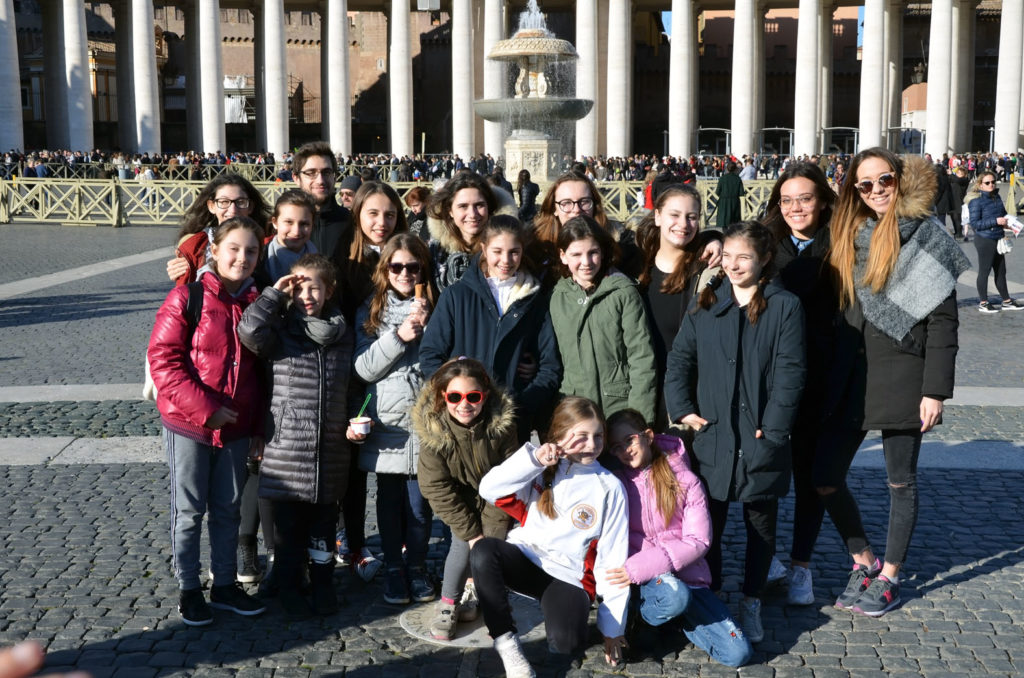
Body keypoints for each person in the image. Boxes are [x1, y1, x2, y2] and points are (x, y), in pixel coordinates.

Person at [827, 148, 969, 616]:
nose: (875, 191)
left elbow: (944, 322)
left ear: (900, 179)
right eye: (864, 185)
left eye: (883, 179)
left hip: (905, 372)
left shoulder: (928, 236)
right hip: (853, 371)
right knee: (824, 477)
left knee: (900, 483)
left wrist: (935, 391)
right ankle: (862, 560)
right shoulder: (848, 233)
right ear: (854, 191)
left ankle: (890, 574)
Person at [665, 220, 806, 642]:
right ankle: (714, 598)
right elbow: (680, 362)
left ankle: (752, 599)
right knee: (710, 525)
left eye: (743, 257)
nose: (732, 264)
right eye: (727, 256)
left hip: (762, 436)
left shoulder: (785, 306)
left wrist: (775, 430)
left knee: (761, 527)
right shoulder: (706, 301)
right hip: (713, 434)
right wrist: (684, 410)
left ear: (764, 260)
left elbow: (790, 374)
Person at [147, 216, 269, 626]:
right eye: (233, 248)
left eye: (251, 251)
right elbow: (162, 361)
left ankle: (225, 585)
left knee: (228, 509)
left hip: (236, 426)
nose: (242, 257)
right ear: (214, 251)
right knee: (189, 510)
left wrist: (257, 427)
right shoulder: (188, 297)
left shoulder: (257, 302)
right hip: (189, 424)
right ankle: (188, 588)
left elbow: (262, 373)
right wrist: (206, 409)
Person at [761, 162, 866, 606]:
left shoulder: (846, 242)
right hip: (773, 377)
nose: (795, 208)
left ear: (823, 200)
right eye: (787, 200)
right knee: (761, 471)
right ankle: (763, 559)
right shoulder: (765, 242)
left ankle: (800, 566)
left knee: (812, 476)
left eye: (805, 198)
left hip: (827, 377)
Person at [472, 397, 630, 677]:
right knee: (484, 550)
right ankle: (508, 647)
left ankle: (555, 614)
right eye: (581, 437)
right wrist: (534, 459)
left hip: (567, 577)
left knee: (567, 643)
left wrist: (611, 629)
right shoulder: (539, 469)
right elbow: (489, 488)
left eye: (598, 436)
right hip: (525, 560)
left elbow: (612, 557)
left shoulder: (610, 486)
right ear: (559, 436)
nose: (592, 445)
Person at [237, 253, 353, 618]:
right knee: (287, 533)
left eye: (313, 288)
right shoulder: (282, 331)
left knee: (323, 530)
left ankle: (322, 584)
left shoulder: (342, 334)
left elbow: (350, 386)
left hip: (330, 448)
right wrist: (273, 296)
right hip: (287, 448)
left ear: (329, 291)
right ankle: (288, 586)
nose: (306, 296)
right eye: (299, 289)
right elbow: (249, 332)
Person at [603, 409, 753, 668]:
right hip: (644, 583)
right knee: (674, 597)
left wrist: (638, 567)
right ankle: (642, 620)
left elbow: (699, 540)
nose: (624, 450)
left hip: (686, 578)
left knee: (738, 653)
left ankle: (675, 621)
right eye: (616, 447)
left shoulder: (686, 480)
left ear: (648, 436)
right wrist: (635, 571)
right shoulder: (617, 484)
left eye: (629, 440)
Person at [419, 215, 561, 441]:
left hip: (512, 425)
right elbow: (430, 356)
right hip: (460, 421)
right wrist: (454, 396)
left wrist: (521, 403)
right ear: (484, 249)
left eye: (514, 251)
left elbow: (549, 366)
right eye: (497, 251)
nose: (506, 260)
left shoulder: (534, 301)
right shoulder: (456, 296)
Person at [354, 235, 438, 606]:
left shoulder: (435, 307)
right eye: (397, 267)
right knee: (389, 506)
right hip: (388, 426)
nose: (404, 273)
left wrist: (427, 324)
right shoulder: (370, 311)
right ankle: (392, 568)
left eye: (413, 267)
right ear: (385, 270)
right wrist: (399, 336)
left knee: (420, 507)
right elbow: (363, 367)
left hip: (424, 425)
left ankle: (417, 567)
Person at [413, 357, 519, 641]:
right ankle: (448, 603)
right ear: (442, 397)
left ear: (484, 396)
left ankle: (480, 592)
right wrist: (472, 533)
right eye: (455, 397)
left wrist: (490, 534)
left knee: (491, 548)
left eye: (473, 397)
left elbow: (511, 474)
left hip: (496, 496)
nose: (464, 404)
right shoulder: (435, 433)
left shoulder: (502, 427)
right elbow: (435, 486)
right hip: (457, 498)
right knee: (463, 543)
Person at [550, 215, 658, 423]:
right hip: (575, 409)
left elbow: (641, 358)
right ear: (563, 256)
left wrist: (639, 419)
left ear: (602, 251)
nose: (586, 262)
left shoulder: (623, 292)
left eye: (593, 253)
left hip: (619, 407)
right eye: (576, 254)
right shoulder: (558, 296)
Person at [635, 185, 722, 429]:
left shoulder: (707, 270)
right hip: (642, 388)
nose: (683, 224)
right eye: (674, 215)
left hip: (688, 393)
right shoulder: (636, 263)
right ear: (657, 216)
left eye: (691, 217)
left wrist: (717, 238)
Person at [531, 171, 643, 283]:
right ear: (554, 208)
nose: (576, 210)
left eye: (584, 202)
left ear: (594, 205)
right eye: (566, 203)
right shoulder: (536, 247)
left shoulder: (622, 244)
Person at [164, 174, 271, 286]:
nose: (233, 210)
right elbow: (183, 295)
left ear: (250, 207)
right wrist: (183, 269)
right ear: (212, 206)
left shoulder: (268, 243)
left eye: (240, 202)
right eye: (224, 202)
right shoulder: (196, 245)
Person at [424, 172, 499, 290]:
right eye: (463, 206)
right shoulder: (435, 252)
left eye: (479, 205)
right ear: (450, 211)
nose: (472, 214)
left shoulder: (505, 249)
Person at [966, 170, 1024, 313]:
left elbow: (1002, 214)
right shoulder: (975, 201)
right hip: (984, 239)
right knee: (984, 271)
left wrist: (1008, 222)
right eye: (987, 183)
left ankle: (1006, 301)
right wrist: (996, 221)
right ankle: (984, 302)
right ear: (980, 185)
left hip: (998, 237)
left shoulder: (996, 197)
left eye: (993, 181)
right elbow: (975, 224)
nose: (991, 184)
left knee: (1001, 271)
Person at [292, 141, 352, 260]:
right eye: (311, 173)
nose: (320, 180)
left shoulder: (351, 222)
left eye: (327, 172)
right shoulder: (287, 225)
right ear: (296, 178)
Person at [264, 189, 317, 282]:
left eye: (304, 224)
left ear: (313, 224)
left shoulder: (322, 263)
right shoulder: (258, 260)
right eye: (289, 222)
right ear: (275, 222)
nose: (296, 231)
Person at [714, 162, 744, 230]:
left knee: (724, 223)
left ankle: (725, 236)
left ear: (727, 168)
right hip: (734, 202)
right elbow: (741, 193)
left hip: (724, 202)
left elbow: (717, 192)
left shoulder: (722, 178)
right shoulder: (738, 178)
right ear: (735, 169)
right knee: (734, 223)